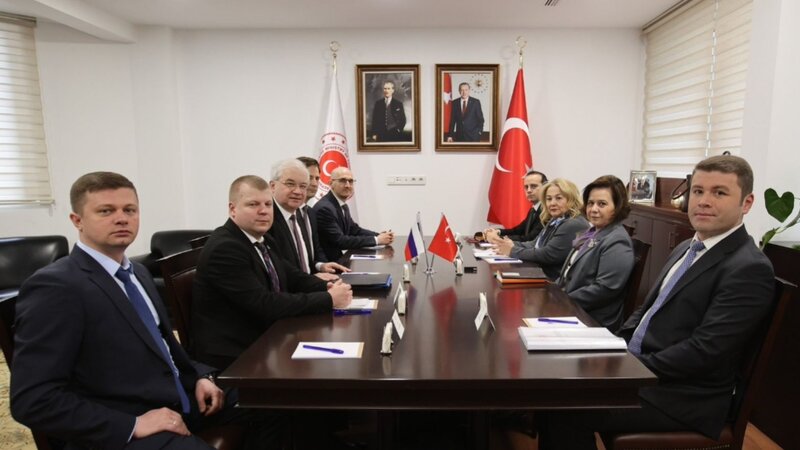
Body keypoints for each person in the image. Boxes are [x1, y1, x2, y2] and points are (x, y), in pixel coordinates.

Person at [10, 172, 276, 449]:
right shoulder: (56, 286)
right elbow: (32, 399)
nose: (121, 218)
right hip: (124, 422)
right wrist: (132, 425)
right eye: (106, 211)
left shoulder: (138, 273)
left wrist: (201, 376)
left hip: (179, 398)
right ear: (77, 220)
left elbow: (165, 347)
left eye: (130, 210)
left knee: (275, 401)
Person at [537, 155, 775, 450]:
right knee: (554, 386)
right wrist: (613, 348)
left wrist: (627, 366)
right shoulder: (687, 247)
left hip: (682, 395)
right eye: (698, 191)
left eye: (719, 193)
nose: (703, 201)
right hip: (647, 371)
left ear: (747, 203)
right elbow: (646, 311)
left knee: (564, 406)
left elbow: (705, 351)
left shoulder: (748, 267)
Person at [192, 175, 352, 371]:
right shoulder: (225, 248)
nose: (263, 211)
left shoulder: (262, 239)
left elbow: (292, 276)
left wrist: (327, 286)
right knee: (326, 369)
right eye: (253, 204)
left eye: (268, 204)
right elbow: (265, 303)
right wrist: (328, 299)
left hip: (268, 336)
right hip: (237, 355)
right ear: (232, 209)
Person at [556, 175, 634, 331]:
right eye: (590, 203)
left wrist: (563, 300)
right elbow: (568, 274)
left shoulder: (617, 241)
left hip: (592, 320)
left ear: (617, 207)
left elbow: (604, 289)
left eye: (602, 204)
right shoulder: (591, 232)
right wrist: (552, 293)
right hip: (573, 310)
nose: (593, 209)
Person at [267, 159, 348, 278]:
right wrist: (312, 280)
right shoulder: (266, 219)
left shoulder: (302, 214)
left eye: (303, 186)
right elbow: (278, 267)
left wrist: (320, 266)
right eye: (290, 184)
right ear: (273, 186)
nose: (298, 191)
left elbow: (304, 259)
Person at [495, 178, 590, 279]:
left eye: (558, 198)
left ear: (572, 199)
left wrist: (512, 250)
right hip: (541, 273)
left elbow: (548, 255)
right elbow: (534, 244)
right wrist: (507, 244)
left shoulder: (573, 223)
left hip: (553, 281)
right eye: (549, 199)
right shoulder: (557, 219)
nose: (552, 203)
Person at [313, 167, 394, 261]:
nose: (348, 185)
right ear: (331, 183)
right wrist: (377, 240)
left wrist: (380, 235)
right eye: (343, 180)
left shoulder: (341, 205)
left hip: (341, 259)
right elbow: (340, 241)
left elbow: (354, 230)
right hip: (330, 264)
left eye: (350, 181)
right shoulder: (325, 208)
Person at [484, 170, 547, 243]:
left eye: (533, 186)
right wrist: (497, 231)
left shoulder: (547, 211)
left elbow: (530, 239)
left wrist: (497, 238)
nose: (529, 190)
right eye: (526, 187)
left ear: (545, 187)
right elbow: (517, 231)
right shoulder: (533, 210)